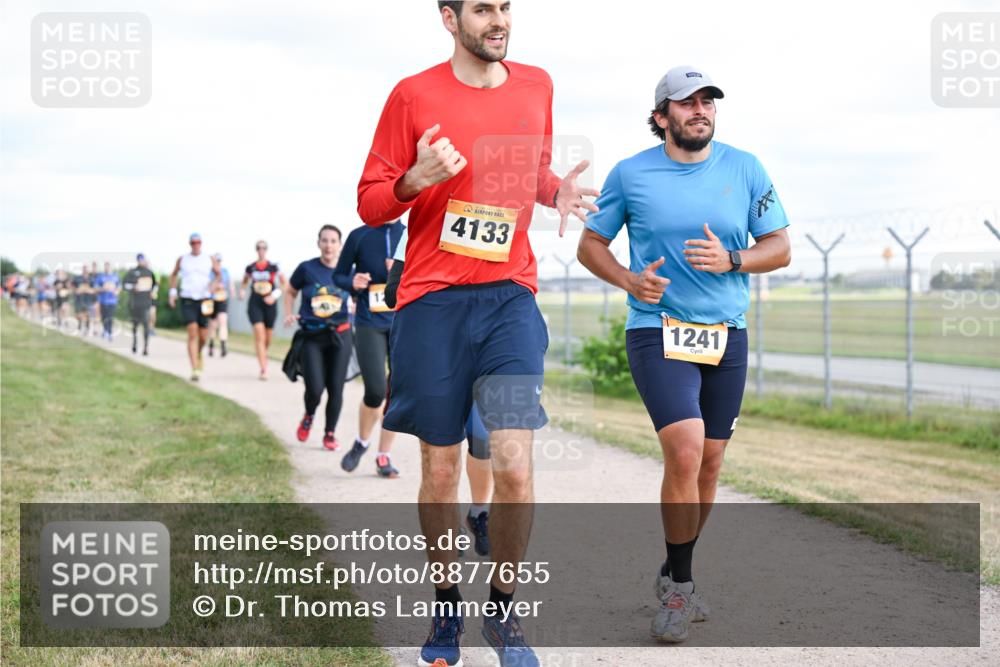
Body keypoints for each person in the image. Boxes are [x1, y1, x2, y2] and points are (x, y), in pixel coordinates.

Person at [357, 2, 598, 665]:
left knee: (514, 462)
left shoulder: (537, 84)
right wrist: (415, 179)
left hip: (510, 300)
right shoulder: (412, 95)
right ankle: (444, 612)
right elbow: (372, 199)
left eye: (506, 7)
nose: (499, 20)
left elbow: (526, 170)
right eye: (484, 9)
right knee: (439, 467)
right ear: (449, 18)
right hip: (433, 300)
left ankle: (503, 613)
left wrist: (556, 193)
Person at [577, 65, 791, 644]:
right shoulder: (631, 174)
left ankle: (676, 567)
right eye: (686, 102)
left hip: (726, 333)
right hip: (658, 328)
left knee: (711, 463)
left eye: (708, 102)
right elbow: (590, 245)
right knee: (687, 448)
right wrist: (627, 280)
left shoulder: (745, 168)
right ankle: (681, 590)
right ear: (660, 116)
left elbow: (781, 247)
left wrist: (734, 260)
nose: (700, 110)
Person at [386, 229, 493, 554]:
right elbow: (393, 293)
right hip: (435, 347)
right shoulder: (418, 227)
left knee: (482, 437)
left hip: (485, 341)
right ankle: (451, 525)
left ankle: (479, 512)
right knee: (440, 455)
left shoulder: (488, 217)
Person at [334, 220, 406, 478]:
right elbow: (338, 275)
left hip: (404, 322)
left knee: (397, 391)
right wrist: (353, 281)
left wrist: (404, 273)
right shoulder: (359, 235)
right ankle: (362, 443)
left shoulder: (412, 232)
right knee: (375, 390)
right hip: (369, 322)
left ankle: (383, 455)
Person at [284, 225, 352, 452]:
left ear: (340, 245)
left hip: (340, 335)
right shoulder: (306, 268)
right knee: (314, 388)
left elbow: (360, 295)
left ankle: (329, 433)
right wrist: (289, 313)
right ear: (318, 243)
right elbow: (290, 290)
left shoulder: (348, 272)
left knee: (336, 388)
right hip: (312, 335)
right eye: (325, 240)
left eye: (333, 241)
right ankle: (309, 414)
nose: (329, 245)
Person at [168, 233, 222, 382]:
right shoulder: (183, 259)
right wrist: (172, 293)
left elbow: (218, 275)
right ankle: (195, 368)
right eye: (193, 243)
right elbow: (173, 275)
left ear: (201, 243)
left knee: (203, 336)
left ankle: (198, 354)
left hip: (204, 299)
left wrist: (214, 285)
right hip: (187, 298)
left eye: (198, 242)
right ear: (190, 244)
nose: (196, 245)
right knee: (192, 332)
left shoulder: (208, 259)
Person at [240, 240, 287, 380]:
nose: (261, 250)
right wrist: (242, 291)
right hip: (255, 303)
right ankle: (263, 369)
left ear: (266, 250)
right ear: (256, 250)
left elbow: (284, 284)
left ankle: (262, 355)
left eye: (263, 248)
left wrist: (274, 296)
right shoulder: (251, 267)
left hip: (270, 303)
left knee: (268, 337)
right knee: (259, 335)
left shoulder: (274, 267)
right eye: (259, 248)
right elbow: (244, 281)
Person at [123, 254, 158, 355]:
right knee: (135, 325)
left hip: (146, 303)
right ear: (137, 261)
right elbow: (125, 285)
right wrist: (133, 287)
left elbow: (155, 285)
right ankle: (134, 343)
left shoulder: (149, 272)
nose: (141, 261)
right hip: (135, 303)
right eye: (139, 260)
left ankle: (146, 347)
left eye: (143, 260)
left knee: (146, 324)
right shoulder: (132, 272)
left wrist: (153, 292)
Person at [208, 254, 231, 358]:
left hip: (222, 299)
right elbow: (209, 287)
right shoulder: (210, 272)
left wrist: (232, 290)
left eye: (219, 261)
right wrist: (216, 284)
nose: (218, 263)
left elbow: (229, 283)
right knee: (213, 325)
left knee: (223, 322)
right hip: (212, 300)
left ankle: (223, 346)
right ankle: (211, 344)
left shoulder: (225, 271)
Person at [94, 261, 121, 341]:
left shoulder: (115, 277)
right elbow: (96, 287)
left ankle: (109, 332)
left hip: (112, 301)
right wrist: (103, 289)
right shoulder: (100, 277)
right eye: (105, 266)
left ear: (110, 267)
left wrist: (117, 291)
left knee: (110, 316)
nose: (107, 268)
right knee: (104, 316)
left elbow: (119, 286)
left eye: (108, 266)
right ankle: (105, 330)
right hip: (102, 300)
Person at [72, 265, 96, 335]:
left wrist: (89, 290)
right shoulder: (77, 278)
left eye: (86, 269)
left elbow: (95, 289)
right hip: (79, 299)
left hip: (89, 299)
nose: (85, 271)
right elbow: (72, 286)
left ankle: (87, 328)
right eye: (84, 269)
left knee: (88, 315)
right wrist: (76, 290)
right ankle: (79, 328)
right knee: (78, 315)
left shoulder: (92, 279)